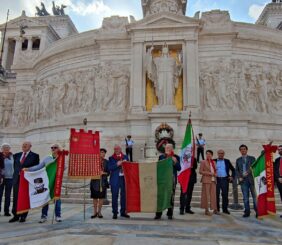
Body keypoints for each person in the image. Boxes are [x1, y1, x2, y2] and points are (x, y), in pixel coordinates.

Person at [23, 143, 62, 223]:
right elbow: (38, 167)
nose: (53, 149)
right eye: (52, 148)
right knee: (45, 198)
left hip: (56, 182)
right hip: (47, 181)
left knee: (57, 199)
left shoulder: (62, 158)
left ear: (59, 149)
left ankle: (58, 215)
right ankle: (44, 216)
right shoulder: (47, 158)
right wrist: (28, 169)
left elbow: (63, 168)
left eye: (55, 147)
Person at [9, 141, 40, 223]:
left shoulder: (35, 156)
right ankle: (15, 215)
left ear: (30, 146)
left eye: (26, 145)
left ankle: (23, 216)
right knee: (16, 197)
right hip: (16, 179)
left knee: (24, 198)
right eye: (23, 145)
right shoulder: (17, 155)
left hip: (27, 180)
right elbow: (15, 167)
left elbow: (36, 168)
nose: (24, 146)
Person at [155, 144, 181, 220]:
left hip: (172, 180)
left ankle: (170, 213)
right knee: (160, 197)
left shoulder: (176, 157)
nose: (167, 149)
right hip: (162, 180)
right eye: (166, 147)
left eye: (169, 147)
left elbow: (179, 168)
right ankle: (158, 214)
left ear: (172, 149)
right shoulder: (161, 157)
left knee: (171, 197)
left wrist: (175, 162)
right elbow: (158, 168)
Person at [108, 145, 129, 219]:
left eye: (117, 149)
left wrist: (125, 163)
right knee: (114, 196)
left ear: (120, 149)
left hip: (123, 179)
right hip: (115, 179)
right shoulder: (111, 158)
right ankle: (115, 212)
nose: (116, 150)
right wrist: (117, 164)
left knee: (124, 196)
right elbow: (109, 168)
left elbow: (129, 167)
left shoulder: (125, 157)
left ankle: (123, 212)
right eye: (115, 149)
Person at [236, 144, 257, 218]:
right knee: (245, 197)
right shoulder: (238, 160)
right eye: (241, 149)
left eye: (244, 149)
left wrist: (247, 172)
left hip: (252, 180)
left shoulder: (252, 158)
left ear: (246, 150)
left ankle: (257, 211)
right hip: (243, 181)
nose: (243, 150)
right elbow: (237, 170)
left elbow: (254, 167)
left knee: (255, 197)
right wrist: (239, 177)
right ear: (240, 151)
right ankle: (247, 211)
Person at [214, 149, 235, 214]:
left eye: (222, 153)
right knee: (216, 195)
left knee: (225, 195)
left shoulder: (227, 161)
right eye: (219, 153)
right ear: (217, 154)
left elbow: (233, 170)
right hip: (216, 180)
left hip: (225, 180)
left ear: (224, 154)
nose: (221, 154)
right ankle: (216, 209)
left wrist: (232, 176)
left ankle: (225, 209)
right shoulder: (213, 161)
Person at [90, 148, 109, 219]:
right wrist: (96, 172)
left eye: (104, 152)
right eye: (101, 152)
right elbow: (90, 170)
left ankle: (100, 212)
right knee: (95, 198)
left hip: (103, 182)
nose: (102, 154)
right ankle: (95, 212)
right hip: (94, 182)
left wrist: (103, 173)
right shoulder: (94, 161)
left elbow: (109, 172)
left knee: (101, 198)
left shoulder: (107, 162)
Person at [199, 150, 218, 216]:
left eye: (209, 154)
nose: (208, 155)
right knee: (206, 195)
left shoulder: (214, 162)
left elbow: (216, 170)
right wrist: (210, 173)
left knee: (213, 195)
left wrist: (215, 174)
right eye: (207, 154)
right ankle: (206, 210)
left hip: (213, 180)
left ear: (212, 155)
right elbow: (200, 171)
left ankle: (214, 208)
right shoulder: (203, 162)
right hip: (206, 180)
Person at [0, 143, 14, 216]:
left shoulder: (12, 156)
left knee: (8, 195)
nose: (6, 149)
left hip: (10, 178)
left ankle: (6, 211)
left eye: (7, 147)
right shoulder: (0, 156)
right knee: (0, 195)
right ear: (2, 149)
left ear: (9, 149)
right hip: (1, 179)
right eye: (4, 147)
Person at [274, 145, 282, 218]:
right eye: (279, 150)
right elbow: (275, 171)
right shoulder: (277, 160)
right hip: (279, 181)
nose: (280, 151)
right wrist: (278, 178)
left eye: (281, 149)